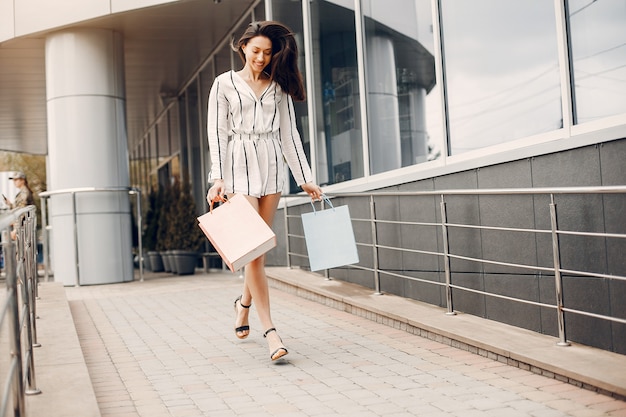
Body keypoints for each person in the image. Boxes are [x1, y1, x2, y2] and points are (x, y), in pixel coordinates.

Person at [206, 21, 323, 361]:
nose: (261, 58)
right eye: (255, 51)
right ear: (242, 47)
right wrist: (219, 177)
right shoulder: (223, 84)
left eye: (267, 53)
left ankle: (243, 305)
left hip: (272, 170)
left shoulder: (279, 87)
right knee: (253, 249)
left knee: (259, 252)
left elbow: (289, 136)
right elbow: (219, 134)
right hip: (238, 170)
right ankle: (271, 331)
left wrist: (305, 177)